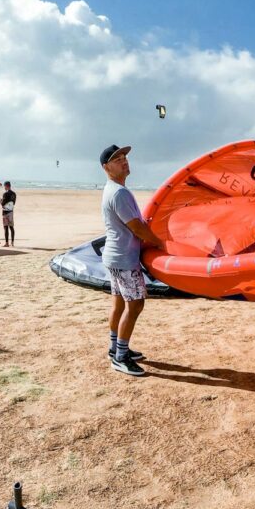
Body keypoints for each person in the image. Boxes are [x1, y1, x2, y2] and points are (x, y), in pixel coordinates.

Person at [100, 144, 163, 377]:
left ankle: (115, 347)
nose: (124, 161)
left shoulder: (112, 189)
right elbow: (136, 227)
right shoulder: (119, 193)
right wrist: (160, 243)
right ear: (106, 167)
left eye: (124, 157)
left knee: (119, 304)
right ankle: (121, 357)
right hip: (125, 259)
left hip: (114, 257)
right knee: (135, 304)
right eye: (117, 160)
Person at [1, 181, 16, 247]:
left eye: (4, 186)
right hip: (11, 212)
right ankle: (12, 242)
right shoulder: (14, 194)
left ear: (6, 186)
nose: (4, 187)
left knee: (6, 227)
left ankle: (7, 243)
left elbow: (3, 204)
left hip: (5, 212)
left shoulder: (5, 194)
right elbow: (13, 203)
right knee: (11, 227)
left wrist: (0, 201)